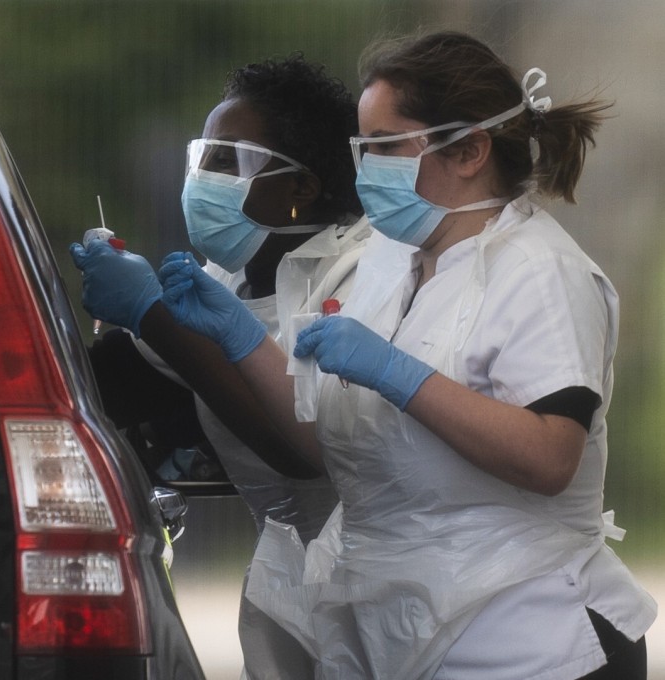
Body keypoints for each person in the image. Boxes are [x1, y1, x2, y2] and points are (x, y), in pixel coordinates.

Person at [154, 31, 656, 680]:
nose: (366, 170)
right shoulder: (390, 261)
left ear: (471, 149)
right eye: (361, 148)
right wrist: (237, 338)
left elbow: (549, 456)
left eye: (387, 147)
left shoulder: (543, 271)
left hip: (535, 643)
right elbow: (318, 447)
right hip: (406, 639)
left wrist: (399, 375)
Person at [71, 55, 369, 679]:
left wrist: (154, 317)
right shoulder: (226, 278)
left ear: (301, 188)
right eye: (202, 157)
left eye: (228, 162)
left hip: (375, 585)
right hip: (288, 583)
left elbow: (304, 449)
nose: (202, 179)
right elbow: (106, 388)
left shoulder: (359, 279)